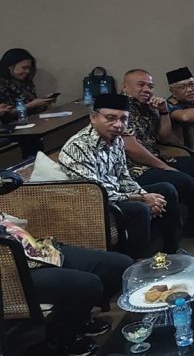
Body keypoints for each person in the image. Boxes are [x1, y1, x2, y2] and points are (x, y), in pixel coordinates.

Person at [0, 201, 131, 356]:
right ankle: (61, 336)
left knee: (119, 265)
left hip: (35, 250)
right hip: (9, 272)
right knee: (87, 284)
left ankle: (78, 318)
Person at [59, 93, 181, 260]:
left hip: (116, 195)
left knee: (167, 190)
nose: (118, 125)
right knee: (139, 209)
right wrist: (141, 199)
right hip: (92, 204)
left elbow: (123, 177)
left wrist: (145, 195)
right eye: (110, 118)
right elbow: (95, 193)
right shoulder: (78, 147)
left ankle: (172, 252)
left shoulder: (116, 140)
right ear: (93, 117)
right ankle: (137, 263)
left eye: (123, 119)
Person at [120, 70, 194, 237]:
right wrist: (164, 167)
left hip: (154, 158)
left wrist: (164, 112)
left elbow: (164, 137)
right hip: (134, 168)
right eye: (140, 85)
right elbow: (132, 149)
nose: (146, 89)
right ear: (125, 87)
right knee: (181, 179)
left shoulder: (147, 106)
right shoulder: (121, 109)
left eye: (150, 86)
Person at [0, 48, 55, 121]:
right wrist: (32, 105)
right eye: (24, 68)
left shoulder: (26, 82)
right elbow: (7, 113)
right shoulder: (2, 84)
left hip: (33, 120)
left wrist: (42, 102)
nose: (27, 71)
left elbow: (31, 101)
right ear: (10, 66)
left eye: (29, 68)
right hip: (13, 124)